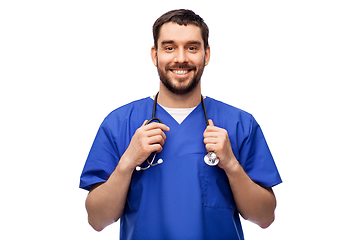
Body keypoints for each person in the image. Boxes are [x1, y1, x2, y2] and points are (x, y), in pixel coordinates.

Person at [79, 9, 282, 240]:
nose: (181, 58)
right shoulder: (119, 124)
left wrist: (232, 165)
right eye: (169, 47)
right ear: (155, 55)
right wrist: (127, 162)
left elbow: (265, 217)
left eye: (192, 47)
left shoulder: (240, 124)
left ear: (206, 54)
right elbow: (97, 219)